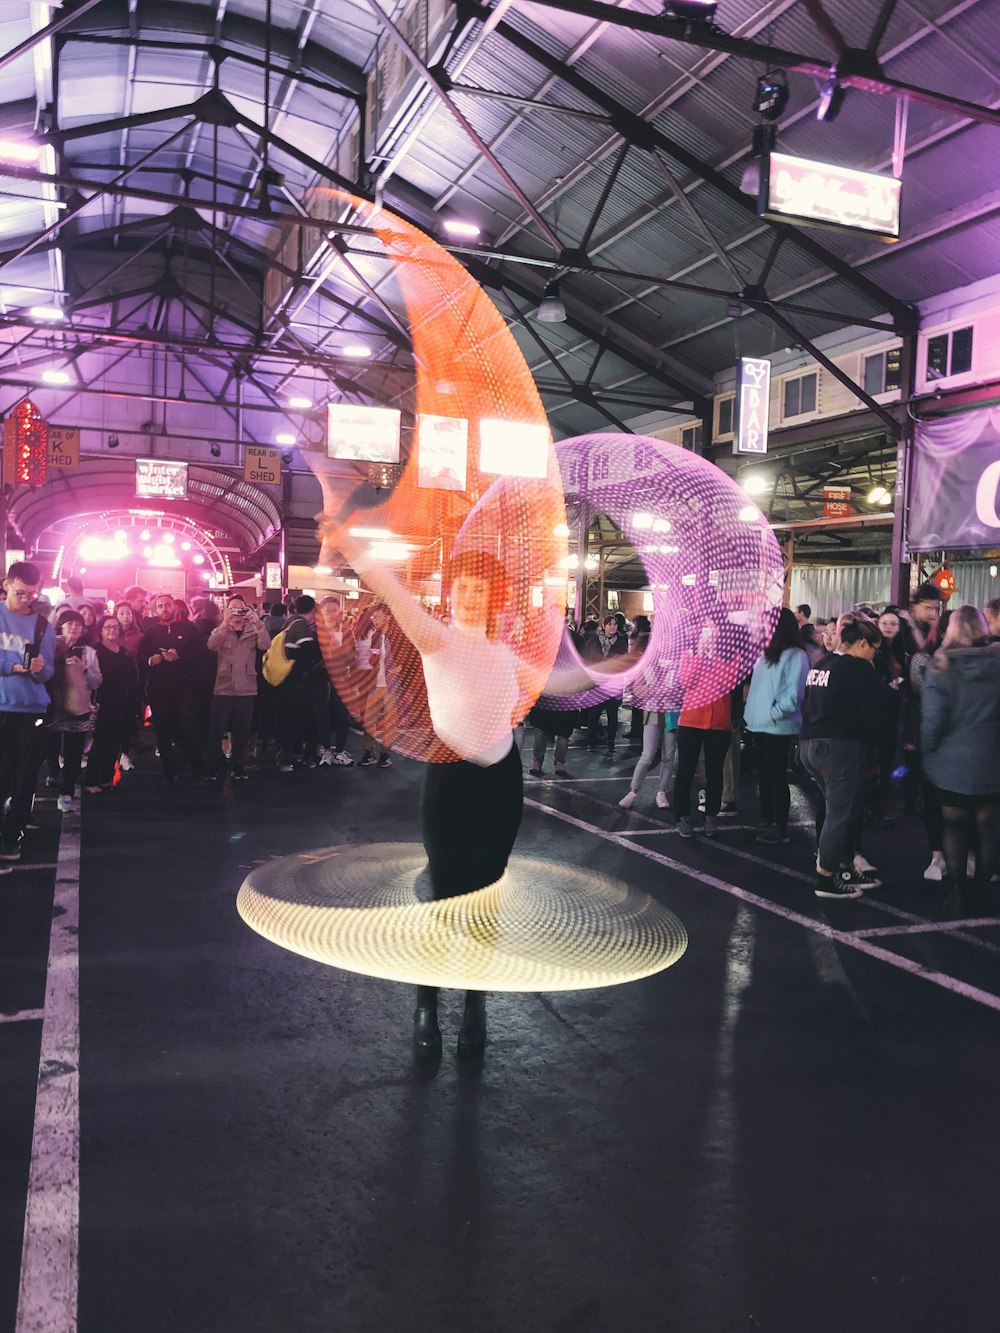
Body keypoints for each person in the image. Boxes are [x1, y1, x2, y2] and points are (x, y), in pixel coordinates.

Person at [800, 618, 891, 899]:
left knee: (839, 810)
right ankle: (826, 877)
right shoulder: (858, 668)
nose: (875, 654)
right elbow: (874, 713)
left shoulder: (821, 664)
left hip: (810, 744)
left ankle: (844, 866)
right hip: (841, 747)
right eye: (874, 648)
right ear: (862, 644)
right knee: (839, 813)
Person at [921, 606, 1000, 915]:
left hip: (951, 762)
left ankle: (956, 890)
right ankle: (980, 890)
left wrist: (928, 754)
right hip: (992, 759)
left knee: (953, 826)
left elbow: (932, 720)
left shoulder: (940, 665)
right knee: (989, 828)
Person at [0, 561, 57, 863]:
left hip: (33, 706)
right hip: (3, 705)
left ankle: (12, 836)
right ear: (6, 584)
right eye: (21, 593)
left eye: (32, 595)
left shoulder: (43, 626)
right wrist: (12, 666)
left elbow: (48, 670)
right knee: (4, 773)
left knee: (25, 777)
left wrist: (38, 669)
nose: (26, 600)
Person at [743, 607, 809, 845]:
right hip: (759, 724)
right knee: (765, 775)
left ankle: (779, 826)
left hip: (777, 726)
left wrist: (775, 713)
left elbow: (795, 694)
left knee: (776, 776)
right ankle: (766, 819)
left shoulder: (796, 656)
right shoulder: (766, 652)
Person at [672, 618, 738, 838]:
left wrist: (714, 658)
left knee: (715, 772)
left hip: (719, 722)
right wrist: (701, 655)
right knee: (686, 769)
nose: (709, 633)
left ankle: (711, 815)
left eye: (713, 628)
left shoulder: (731, 656)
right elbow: (686, 681)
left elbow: (726, 683)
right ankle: (682, 815)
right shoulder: (689, 653)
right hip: (691, 720)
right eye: (705, 629)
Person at [137, 593, 206, 784]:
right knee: (163, 732)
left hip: (184, 690)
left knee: (189, 729)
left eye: (167, 605)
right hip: (159, 691)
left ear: (174, 607)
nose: (164, 609)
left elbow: (200, 656)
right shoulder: (151, 633)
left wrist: (180, 656)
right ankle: (170, 771)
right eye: (160, 606)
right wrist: (152, 660)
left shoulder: (190, 630)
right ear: (155, 610)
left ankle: (197, 770)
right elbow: (141, 659)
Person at [206, 597, 270, 780]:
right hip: (223, 687)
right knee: (216, 729)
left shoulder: (253, 630)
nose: (237, 612)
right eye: (232, 609)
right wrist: (225, 623)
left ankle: (238, 765)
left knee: (242, 730)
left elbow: (266, 645)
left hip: (246, 687)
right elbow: (211, 645)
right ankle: (212, 765)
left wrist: (257, 622)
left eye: (240, 609)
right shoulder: (221, 630)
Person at [47, 609, 102, 813]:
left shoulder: (88, 652)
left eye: (78, 624)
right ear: (60, 625)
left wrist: (84, 670)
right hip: (51, 706)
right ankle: (53, 770)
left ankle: (66, 791)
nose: (74, 628)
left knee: (74, 751)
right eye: (69, 623)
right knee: (48, 745)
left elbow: (97, 681)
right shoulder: (50, 647)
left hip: (78, 706)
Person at [86, 615, 139, 791]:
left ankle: (106, 778)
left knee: (114, 742)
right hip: (101, 702)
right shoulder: (94, 650)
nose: (112, 630)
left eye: (115, 627)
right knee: (100, 742)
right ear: (100, 630)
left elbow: (132, 675)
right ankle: (92, 780)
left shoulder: (122, 651)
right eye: (107, 627)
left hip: (121, 703)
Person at [355, 601, 397, 770]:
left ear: (388, 617)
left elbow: (409, 659)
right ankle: (368, 752)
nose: (375, 619)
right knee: (369, 720)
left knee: (389, 722)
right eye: (374, 616)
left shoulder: (398, 637)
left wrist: (399, 667)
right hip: (375, 683)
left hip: (392, 685)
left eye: (378, 616)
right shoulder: (375, 636)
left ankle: (386, 754)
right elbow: (373, 657)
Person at [317, 597, 356, 765]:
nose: (332, 614)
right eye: (328, 611)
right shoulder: (316, 632)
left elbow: (352, 658)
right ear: (322, 612)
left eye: (335, 611)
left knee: (342, 717)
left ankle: (340, 750)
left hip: (341, 680)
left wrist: (343, 652)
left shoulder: (346, 631)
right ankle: (325, 750)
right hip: (320, 680)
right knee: (322, 716)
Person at [583, 614, 628, 757]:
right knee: (594, 713)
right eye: (610, 624)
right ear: (604, 626)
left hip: (613, 683)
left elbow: (623, 662)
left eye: (614, 624)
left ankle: (611, 742)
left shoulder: (621, 641)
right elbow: (588, 660)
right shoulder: (595, 640)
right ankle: (591, 742)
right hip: (597, 682)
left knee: (612, 714)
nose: (612, 627)